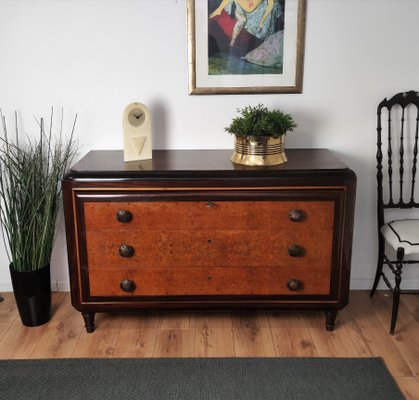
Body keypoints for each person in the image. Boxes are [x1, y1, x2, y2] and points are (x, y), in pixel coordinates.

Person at [209, 0, 279, 46]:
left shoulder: (266, 5)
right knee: (242, 20)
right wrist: (219, 9)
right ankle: (232, 42)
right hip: (241, 8)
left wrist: (261, 21)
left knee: (264, 28)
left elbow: (270, 6)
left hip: (257, 12)